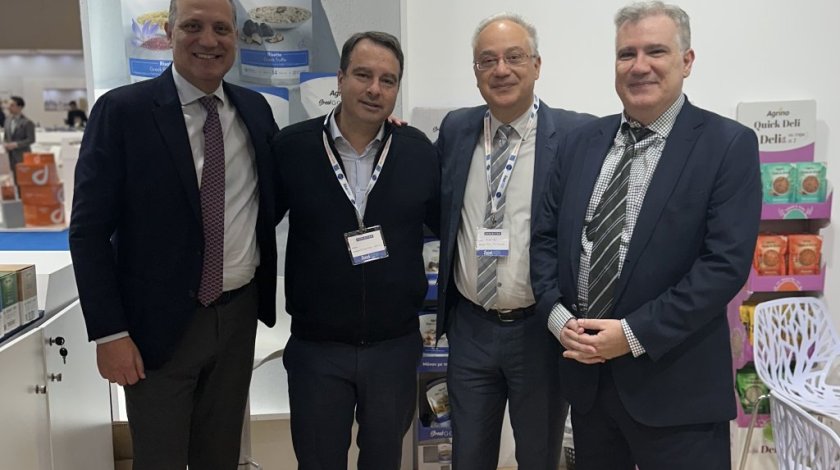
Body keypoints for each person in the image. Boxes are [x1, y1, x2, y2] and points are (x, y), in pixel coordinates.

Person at [531, 2, 761, 469]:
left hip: (678, 391)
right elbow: (546, 240)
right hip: (589, 386)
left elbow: (723, 266)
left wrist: (633, 334)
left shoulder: (727, 145)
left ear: (687, 61)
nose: (639, 66)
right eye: (626, 54)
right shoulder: (580, 143)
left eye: (655, 51)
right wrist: (558, 319)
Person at [68, 0, 279, 468]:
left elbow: (277, 194)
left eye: (221, 28)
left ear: (236, 36)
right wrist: (109, 333)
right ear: (168, 32)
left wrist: (379, 130)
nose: (208, 40)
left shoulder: (254, 110)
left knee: (220, 457)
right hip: (156, 330)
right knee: (159, 459)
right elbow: (88, 232)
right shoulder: (123, 112)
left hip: (237, 318)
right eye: (193, 26)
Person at [272, 31, 440, 470]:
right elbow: (255, 225)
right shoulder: (292, 148)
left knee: (383, 461)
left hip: (393, 348)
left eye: (388, 80)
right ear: (341, 78)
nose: (374, 89)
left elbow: (446, 224)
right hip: (317, 349)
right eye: (363, 75)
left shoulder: (417, 152)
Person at [435, 13, 594, 470]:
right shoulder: (456, 129)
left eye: (514, 57)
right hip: (470, 327)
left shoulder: (575, 134)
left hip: (538, 330)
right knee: (468, 456)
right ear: (476, 72)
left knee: (539, 457)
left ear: (537, 65)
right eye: (487, 60)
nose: (500, 70)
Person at [3, 96, 36, 181]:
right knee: (13, 180)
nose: (9, 107)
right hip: (9, 156)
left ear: (20, 107)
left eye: (12, 105)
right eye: (8, 105)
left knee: (24, 180)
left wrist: (16, 145)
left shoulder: (27, 122)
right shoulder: (7, 121)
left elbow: (31, 139)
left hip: (22, 156)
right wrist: (5, 144)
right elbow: (6, 136)